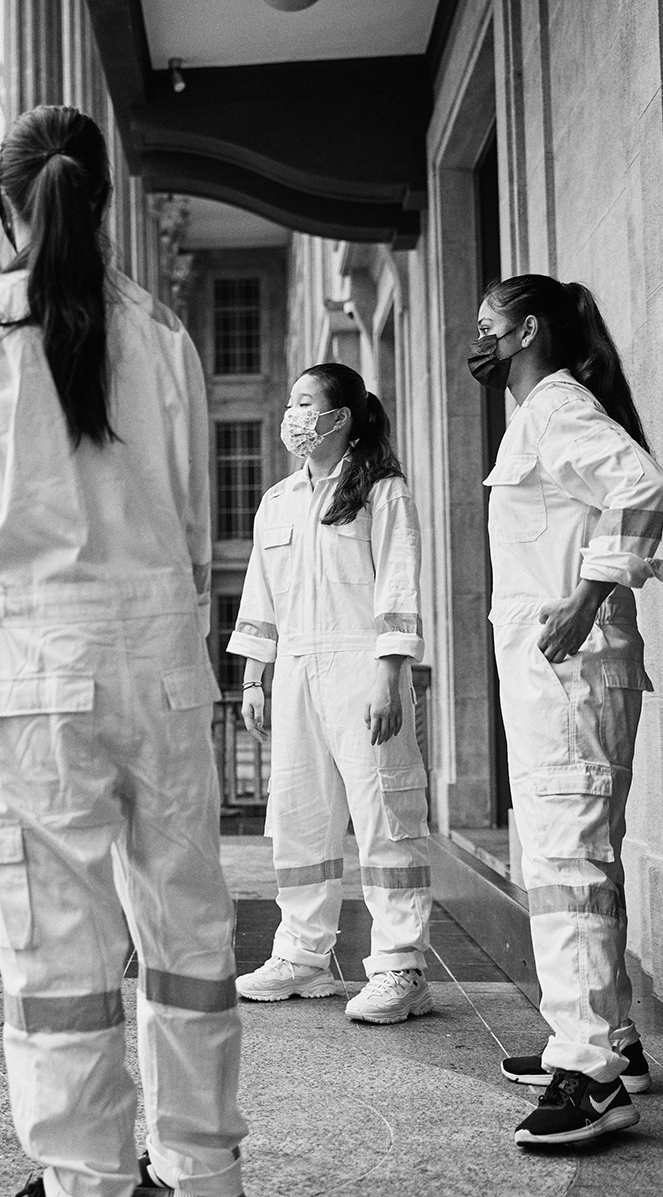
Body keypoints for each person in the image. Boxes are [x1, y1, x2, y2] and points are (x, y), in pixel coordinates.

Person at [0, 105, 250, 1197]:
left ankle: (86, 1194)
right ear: (100, 203)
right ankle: (203, 1171)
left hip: (37, 660)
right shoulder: (166, 334)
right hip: (162, 657)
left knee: (58, 940)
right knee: (187, 923)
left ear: (6, 203)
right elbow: (195, 519)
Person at [469, 274, 663, 1146]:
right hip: (556, 673)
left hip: (568, 673)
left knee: (569, 864)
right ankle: (610, 1040)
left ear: (524, 331)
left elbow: (641, 482)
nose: (476, 339)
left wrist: (591, 593)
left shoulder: (555, 408)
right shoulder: (540, 414)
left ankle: (589, 1075)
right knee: (576, 859)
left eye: (487, 325)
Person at [229, 363, 435, 1024]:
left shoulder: (381, 489)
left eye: (302, 401)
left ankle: (400, 965)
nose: (292, 413)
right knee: (298, 816)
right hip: (293, 668)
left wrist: (389, 672)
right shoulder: (280, 500)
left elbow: (397, 581)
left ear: (339, 415)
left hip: (360, 665)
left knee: (383, 814)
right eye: (289, 400)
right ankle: (301, 956)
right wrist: (253, 675)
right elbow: (261, 596)